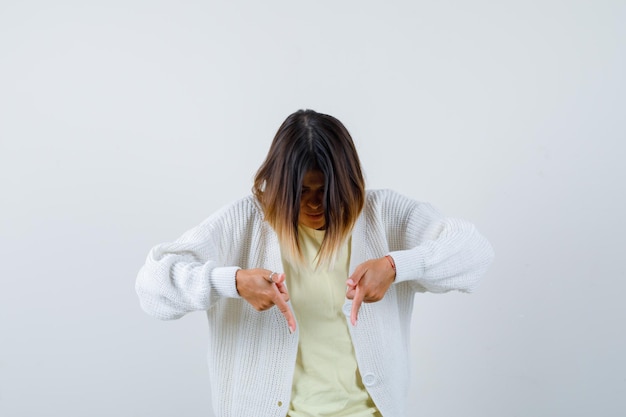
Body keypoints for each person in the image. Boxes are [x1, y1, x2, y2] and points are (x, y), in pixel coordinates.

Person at [135, 109, 494, 417]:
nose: (313, 204)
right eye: (300, 192)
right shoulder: (246, 221)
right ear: (278, 186)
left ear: (348, 182)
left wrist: (396, 266)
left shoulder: (383, 216)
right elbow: (152, 286)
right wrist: (232, 282)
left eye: (325, 191)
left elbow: (474, 252)